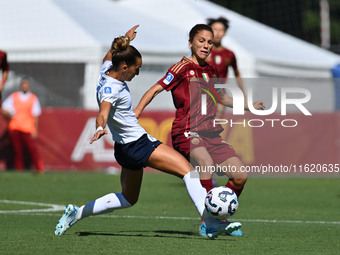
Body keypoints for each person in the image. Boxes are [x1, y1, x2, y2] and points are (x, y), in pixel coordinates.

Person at [54, 25, 242, 240]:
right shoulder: (112, 88)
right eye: (136, 68)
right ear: (124, 67)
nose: (138, 72)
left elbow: (109, 54)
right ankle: (210, 222)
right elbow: (103, 111)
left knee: (128, 198)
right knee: (190, 173)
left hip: (123, 148)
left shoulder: (106, 69)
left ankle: (76, 213)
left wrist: (125, 39)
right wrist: (99, 126)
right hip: (139, 143)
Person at [134, 24, 265, 237]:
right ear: (191, 43)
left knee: (240, 175)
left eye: (210, 42)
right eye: (201, 41)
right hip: (187, 131)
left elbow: (221, 97)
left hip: (210, 133)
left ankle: (218, 216)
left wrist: (250, 106)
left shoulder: (211, 70)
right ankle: (209, 220)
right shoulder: (181, 67)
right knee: (205, 163)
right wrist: (138, 110)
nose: (206, 45)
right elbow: (156, 88)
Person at [1, 78, 44, 173]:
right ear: (21, 86)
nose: (25, 86)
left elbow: (35, 115)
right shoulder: (14, 96)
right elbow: (4, 108)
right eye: (23, 84)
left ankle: (39, 168)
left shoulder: (33, 98)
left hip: (27, 127)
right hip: (15, 126)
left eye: (26, 84)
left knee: (32, 149)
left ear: (29, 86)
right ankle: (19, 169)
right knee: (17, 150)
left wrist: (35, 129)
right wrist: (7, 114)